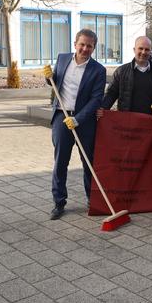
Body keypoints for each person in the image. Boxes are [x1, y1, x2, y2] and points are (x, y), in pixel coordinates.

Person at [42, 29, 106, 220]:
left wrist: (78, 118)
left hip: (84, 121)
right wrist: (48, 77)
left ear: (94, 48)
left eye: (89, 46)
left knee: (89, 162)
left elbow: (96, 99)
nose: (85, 48)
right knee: (61, 162)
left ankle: (92, 200)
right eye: (82, 44)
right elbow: (54, 81)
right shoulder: (62, 59)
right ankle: (59, 202)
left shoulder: (98, 70)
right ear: (75, 44)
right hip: (62, 118)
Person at [98, 36, 152, 116]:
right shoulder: (121, 71)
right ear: (134, 50)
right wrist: (103, 108)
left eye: (147, 49)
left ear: (150, 51)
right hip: (127, 122)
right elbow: (111, 94)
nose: (143, 52)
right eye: (140, 48)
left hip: (151, 123)